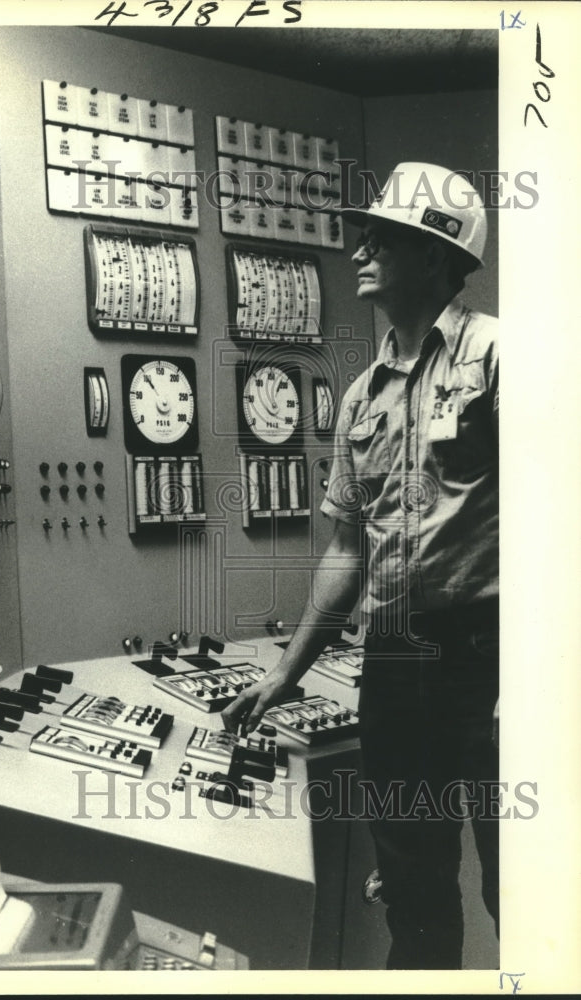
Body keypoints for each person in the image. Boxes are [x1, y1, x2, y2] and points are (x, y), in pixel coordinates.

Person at [222, 162, 499, 970]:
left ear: (441, 254)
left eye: (385, 235)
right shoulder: (360, 398)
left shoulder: (501, 358)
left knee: (526, 883)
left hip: (490, 655)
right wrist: (285, 673)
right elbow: (346, 550)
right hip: (396, 662)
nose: (360, 248)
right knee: (414, 892)